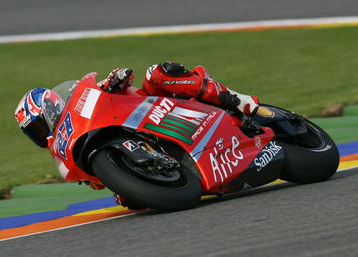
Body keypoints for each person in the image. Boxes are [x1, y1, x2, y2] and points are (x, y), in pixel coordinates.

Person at [14, 62, 259, 208]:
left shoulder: (85, 102)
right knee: (130, 202)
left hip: (154, 107)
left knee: (157, 73)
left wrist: (114, 80)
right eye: (33, 131)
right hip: (163, 148)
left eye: (39, 124)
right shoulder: (66, 151)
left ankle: (235, 100)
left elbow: (126, 76)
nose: (40, 133)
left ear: (52, 107)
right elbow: (100, 182)